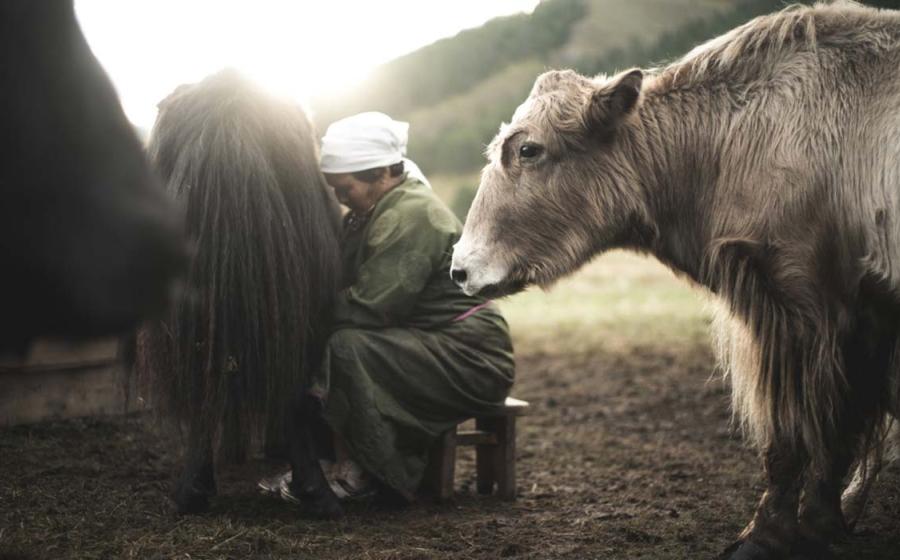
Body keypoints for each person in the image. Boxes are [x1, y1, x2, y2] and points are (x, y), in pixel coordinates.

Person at [261, 112, 515, 504]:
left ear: (380, 173)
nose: (339, 199)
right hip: (430, 343)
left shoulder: (411, 214)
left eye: (345, 188)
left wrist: (296, 317)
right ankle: (327, 462)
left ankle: (361, 471)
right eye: (333, 190)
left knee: (346, 345)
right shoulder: (373, 212)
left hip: (471, 358)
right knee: (334, 342)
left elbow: (372, 306)